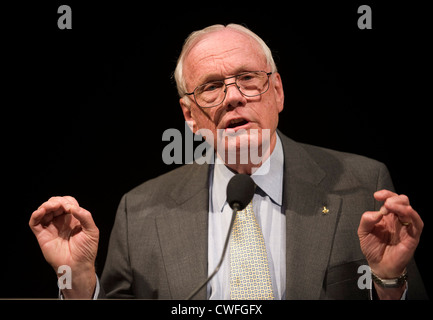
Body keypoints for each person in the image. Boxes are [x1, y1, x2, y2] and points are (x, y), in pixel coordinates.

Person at [29, 24, 427, 300]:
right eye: (212, 87)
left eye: (248, 79)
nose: (233, 97)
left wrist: (389, 281)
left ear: (277, 92)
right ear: (190, 117)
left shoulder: (360, 184)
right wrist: (77, 280)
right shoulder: (141, 211)